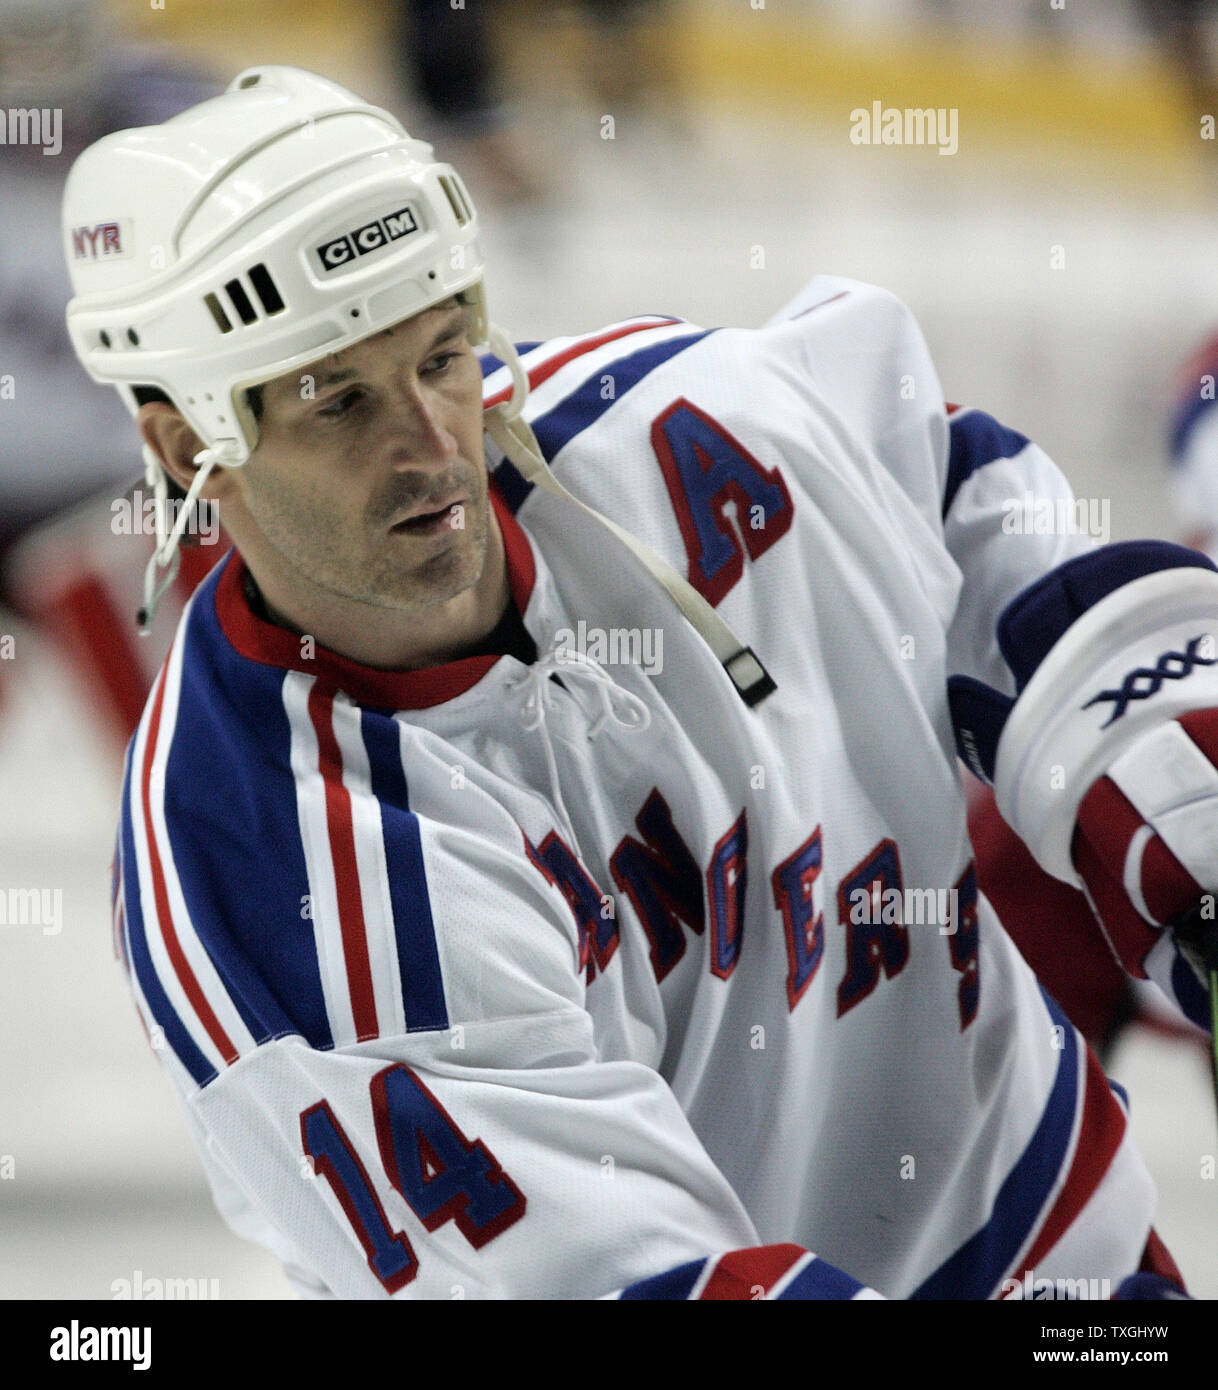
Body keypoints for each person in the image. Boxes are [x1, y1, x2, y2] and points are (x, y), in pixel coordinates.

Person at [63, 66, 1215, 1300]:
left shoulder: (676, 436)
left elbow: (956, 497)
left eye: (443, 355)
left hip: (1048, 1242)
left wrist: (1173, 782)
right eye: (337, 399)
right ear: (188, 444)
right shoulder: (269, 876)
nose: (431, 445)